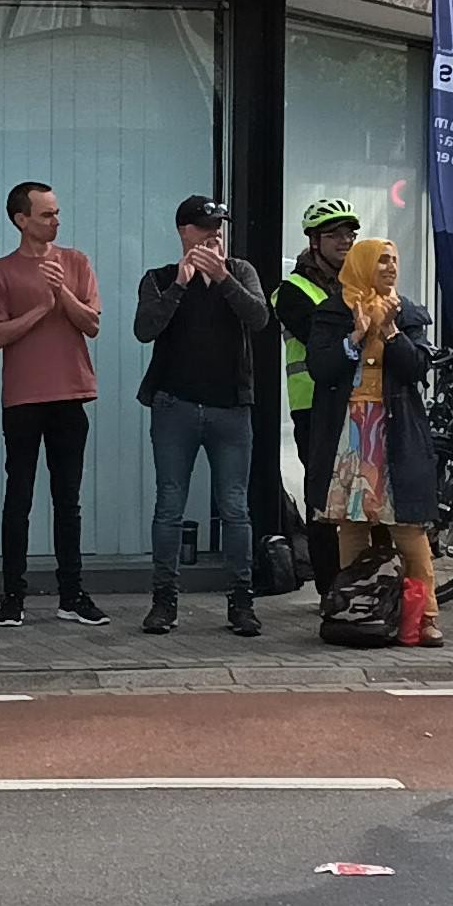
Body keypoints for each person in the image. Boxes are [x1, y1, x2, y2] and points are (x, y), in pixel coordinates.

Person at [133, 195, 270, 637]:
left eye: (220, 227)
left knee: (235, 507)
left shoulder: (242, 271)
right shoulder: (158, 278)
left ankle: (241, 601)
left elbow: (260, 318)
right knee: (170, 503)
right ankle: (164, 600)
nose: (215, 235)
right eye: (205, 227)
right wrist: (180, 284)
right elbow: (144, 329)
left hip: (231, 408)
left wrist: (223, 278)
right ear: (183, 232)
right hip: (175, 407)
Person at [0, 181, 108, 629]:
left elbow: (91, 324)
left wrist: (62, 295)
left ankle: (72, 594)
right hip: (23, 398)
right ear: (21, 220)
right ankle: (13, 595)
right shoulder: (1, 271)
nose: (55, 220)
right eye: (46, 214)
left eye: (56, 213)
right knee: (20, 498)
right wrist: (39, 310)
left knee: (67, 500)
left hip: (70, 393)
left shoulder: (76, 262)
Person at [304, 237, 443, 647]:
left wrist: (392, 332)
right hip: (347, 429)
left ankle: (426, 616)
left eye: (395, 260)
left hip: (395, 429)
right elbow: (319, 369)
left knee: (407, 528)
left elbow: (417, 368)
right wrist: (354, 339)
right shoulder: (332, 312)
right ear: (363, 264)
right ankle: (356, 609)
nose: (389, 267)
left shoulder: (408, 313)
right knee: (351, 525)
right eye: (381, 260)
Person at [271, 198, 357, 595]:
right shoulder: (290, 291)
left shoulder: (360, 283)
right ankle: (328, 587)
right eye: (335, 234)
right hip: (314, 406)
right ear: (313, 240)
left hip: (361, 403)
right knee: (322, 497)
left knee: (362, 495)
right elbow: (319, 337)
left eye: (350, 234)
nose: (345, 240)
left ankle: (361, 579)